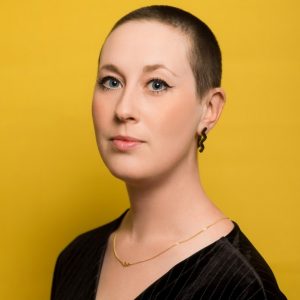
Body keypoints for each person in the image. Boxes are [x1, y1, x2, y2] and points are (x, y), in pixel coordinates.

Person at [51, 5, 287, 300]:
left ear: (209, 109)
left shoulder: (242, 287)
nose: (123, 109)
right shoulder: (75, 257)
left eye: (157, 85)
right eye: (111, 82)